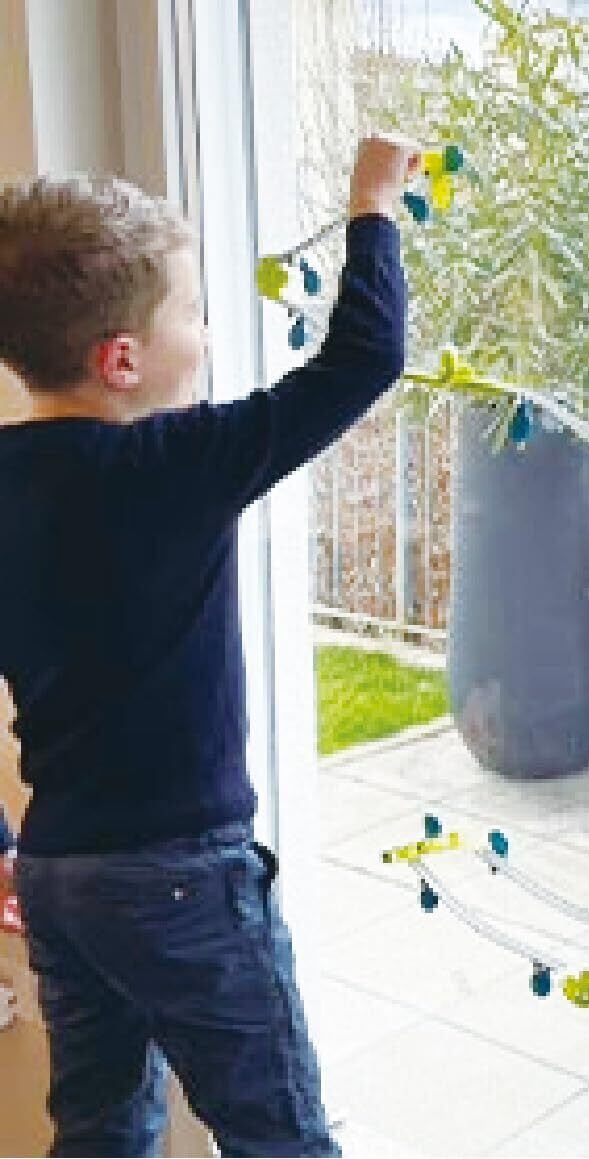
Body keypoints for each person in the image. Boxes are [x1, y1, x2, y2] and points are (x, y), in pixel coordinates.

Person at [0, 133, 418, 1156]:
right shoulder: (177, 461)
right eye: (192, 315)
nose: (208, 334)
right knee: (278, 1134)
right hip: (181, 878)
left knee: (99, 1128)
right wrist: (372, 202)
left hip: (59, 874)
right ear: (122, 359)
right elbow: (364, 359)